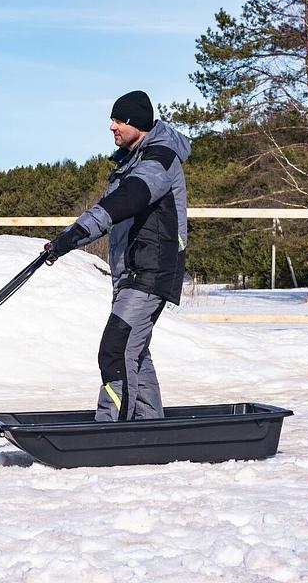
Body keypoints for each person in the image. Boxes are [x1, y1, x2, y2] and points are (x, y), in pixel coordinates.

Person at [44, 90, 190, 422]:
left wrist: (75, 235)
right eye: (112, 119)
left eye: (119, 120)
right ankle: (151, 426)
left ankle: (111, 431)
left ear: (137, 122)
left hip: (151, 271)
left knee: (116, 350)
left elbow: (130, 199)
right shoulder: (132, 160)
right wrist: (65, 240)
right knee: (134, 352)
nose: (112, 126)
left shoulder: (159, 159)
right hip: (133, 272)